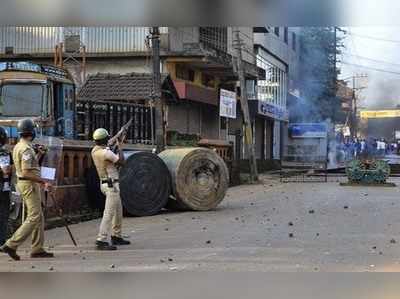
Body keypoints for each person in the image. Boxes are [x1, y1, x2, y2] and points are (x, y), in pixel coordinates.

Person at [1, 119, 53, 261]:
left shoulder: (19, 146)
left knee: (39, 216)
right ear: (31, 132)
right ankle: (11, 244)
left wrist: (39, 155)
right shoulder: (26, 149)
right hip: (29, 184)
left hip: (28, 183)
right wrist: (43, 181)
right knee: (35, 215)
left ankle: (37, 248)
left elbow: (30, 167)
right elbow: (25, 172)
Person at [91, 128, 130, 251]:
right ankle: (101, 240)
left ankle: (116, 236)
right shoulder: (106, 153)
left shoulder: (95, 150)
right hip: (111, 185)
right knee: (109, 214)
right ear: (105, 140)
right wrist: (120, 146)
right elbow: (122, 162)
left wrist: (117, 135)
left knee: (118, 211)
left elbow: (107, 143)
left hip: (106, 184)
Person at [0, 127, 12, 248]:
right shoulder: (4, 152)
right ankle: (2, 241)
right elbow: (6, 170)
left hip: (4, 187)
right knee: (3, 215)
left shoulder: (5, 152)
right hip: (3, 188)